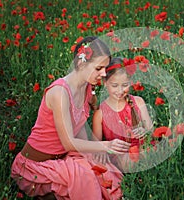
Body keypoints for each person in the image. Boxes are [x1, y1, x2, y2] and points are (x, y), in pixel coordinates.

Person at [11, 36, 131, 200]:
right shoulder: (60, 93)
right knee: (85, 179)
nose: (104, 74)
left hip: (64, 156)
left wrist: (90, 152)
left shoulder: (86, 87)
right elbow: (68, 142)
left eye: (105, 68)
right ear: (81, 63)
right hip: (34, 166)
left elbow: (79, 125)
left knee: (102, 168)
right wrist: (105, 145)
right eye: (98, 68)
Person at [92, 57, 153, 172]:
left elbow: (150, 129)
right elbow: (96, 142)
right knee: (126, 161)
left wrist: (144, 131)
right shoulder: (100, 113)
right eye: (114, 86)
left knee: (153, 152)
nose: (120, 91)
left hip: (141, 148)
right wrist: (102, 149)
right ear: (105, 83)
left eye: (125, 85)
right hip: (120, 154)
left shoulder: (138, 102)